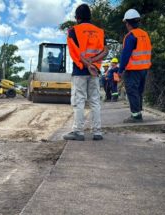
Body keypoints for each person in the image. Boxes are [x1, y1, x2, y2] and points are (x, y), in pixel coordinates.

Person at [63, 4, 108, 141]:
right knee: (95, 101)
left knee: (79, 101)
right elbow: (105, 51)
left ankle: (78, 131)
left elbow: (75, 53)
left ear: (78, 18)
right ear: (90, 17)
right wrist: (93, 63)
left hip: (80, 72)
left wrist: (87, 64)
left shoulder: (73, 31)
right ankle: (97, 132)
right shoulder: (100, 31)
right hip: (94, 71)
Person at [119, 9, 152, 123]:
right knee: (139, 91)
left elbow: (125, 55)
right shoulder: (145, 34)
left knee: (132, 91)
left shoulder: (130, 36)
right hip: (144, 69)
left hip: (133, 70)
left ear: (128, 23)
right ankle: (138, 112)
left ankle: (136, 116)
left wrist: (120, 70)